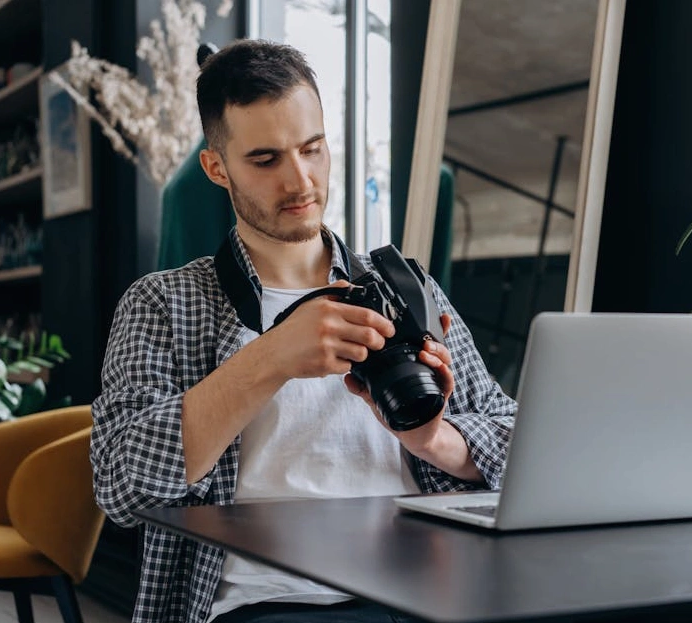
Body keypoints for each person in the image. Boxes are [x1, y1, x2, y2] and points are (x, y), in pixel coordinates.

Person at [91, 39, 517, 623]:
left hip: (426, 593)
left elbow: (517, 439)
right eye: (265, 160)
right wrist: (270, 358)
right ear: (216, 168)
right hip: (270, 604)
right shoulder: (163, 304)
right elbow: (120, 486)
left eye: (312, 149)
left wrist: (434, 441)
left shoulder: (401, 284)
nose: (300, 181)